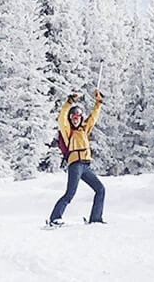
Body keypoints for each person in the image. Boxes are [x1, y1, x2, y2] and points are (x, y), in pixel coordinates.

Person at [47, 89, 105, 227]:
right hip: (75, 165)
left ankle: (95, 218)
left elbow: (93, 117)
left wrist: (98, 102)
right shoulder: (68, 131)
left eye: (78, 117)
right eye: (73, 117)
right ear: (70, 118)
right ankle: (55, 218)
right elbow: (61, 118)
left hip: (85, 165)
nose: (76, 119)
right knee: (70, 193)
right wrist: (69, 102)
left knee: (100, 189)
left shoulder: (84, 129)